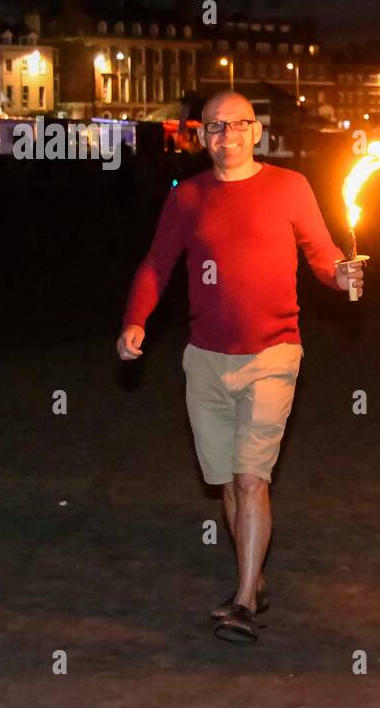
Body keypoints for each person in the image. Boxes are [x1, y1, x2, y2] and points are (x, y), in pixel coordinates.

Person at [116, 91, 364, 644]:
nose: (226, 136)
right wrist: (136, 320)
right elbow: (157, 265)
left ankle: (245, 601)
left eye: (237, 125)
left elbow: (322, 254)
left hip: (274, 354)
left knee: (252, 479)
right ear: (202, 136)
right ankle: (256, 577)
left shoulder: (290, 187)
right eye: (214, 128)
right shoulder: (188, 197)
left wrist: (340, 276)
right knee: (227, 482)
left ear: (257, 131)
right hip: (205, 359)